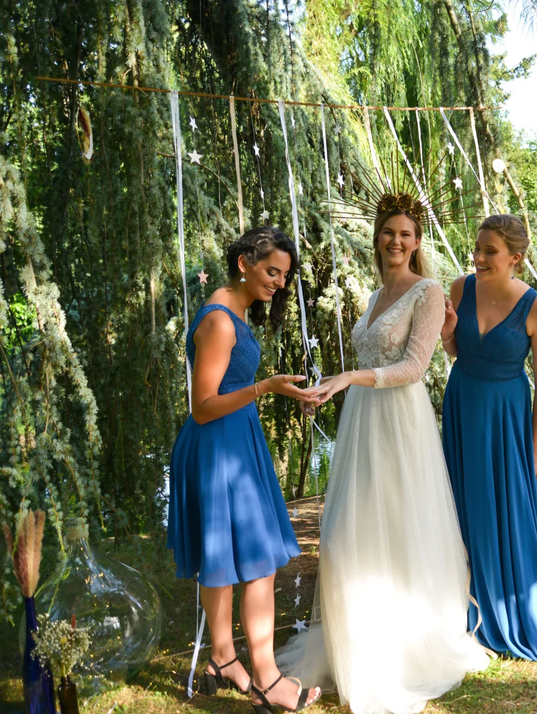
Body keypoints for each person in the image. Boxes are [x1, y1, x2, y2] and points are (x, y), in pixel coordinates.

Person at [277, 196, 489, 714]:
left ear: (417, 242)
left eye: (406, 234)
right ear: (378, 237)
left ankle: (400, 649)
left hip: (401, 424)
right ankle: (357, 641)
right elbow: (368, 360)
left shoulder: (428, 291)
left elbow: (416, 367)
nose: (396, 241)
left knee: (396, 528)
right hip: (362, 423)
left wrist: (350, 377)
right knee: (350, 531)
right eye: (388, 232)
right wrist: (329, 389)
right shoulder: (375, 294)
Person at [167, 226, 322, 713]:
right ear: (244, 264)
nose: (278, 282)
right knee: (256, 563)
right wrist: (265, 388)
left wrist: (281, 392)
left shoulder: (234, 308)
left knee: (228, 559)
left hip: (234, 440)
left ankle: (221, 659)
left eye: (284, 275)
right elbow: (202, 406)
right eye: (272, 271)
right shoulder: (220, 320)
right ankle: (268, 679)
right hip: (218, 446)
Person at [440, 214, 537, 663]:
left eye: (490, 251)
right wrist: (447, 332)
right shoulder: (460, 288)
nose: (478, 257)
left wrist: (535, 445)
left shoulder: (536, 307)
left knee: (502, 508)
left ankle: (511, 604)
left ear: (516, 258)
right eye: (477, 248)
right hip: (463, 404)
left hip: (506, 415)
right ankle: (462, 601)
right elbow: (454, 350)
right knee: (461, 502)